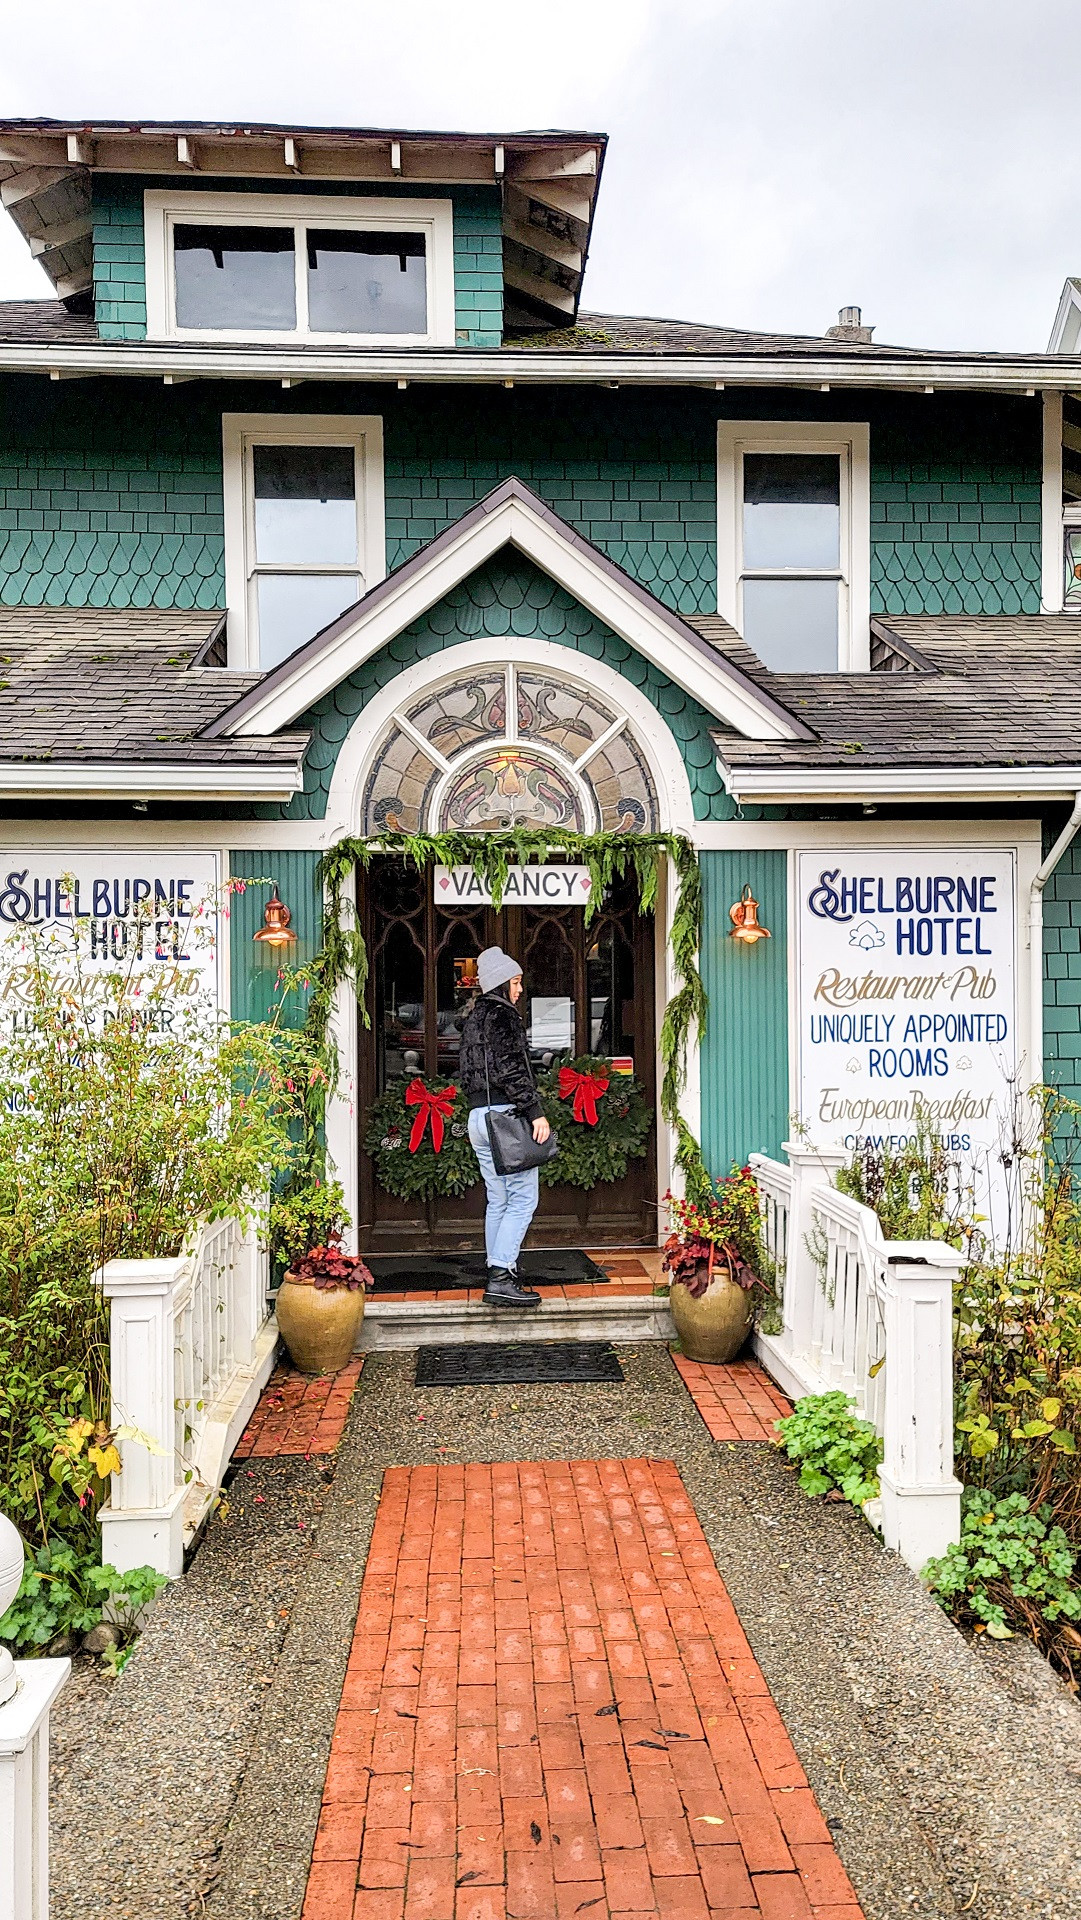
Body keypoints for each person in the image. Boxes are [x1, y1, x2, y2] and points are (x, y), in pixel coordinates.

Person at [459, 945, 552, 1308]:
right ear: (501, 984)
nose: (519, 990)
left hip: (478, 1119)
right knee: (524, 1199)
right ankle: (501, 1274)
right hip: (506, 1119)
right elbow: (512, 1068)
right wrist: (535, 1111)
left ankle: (499, 1271)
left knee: (498, 1199)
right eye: (515, 982)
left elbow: (468, 1074)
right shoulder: (504, 1016)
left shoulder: (472, 1018)